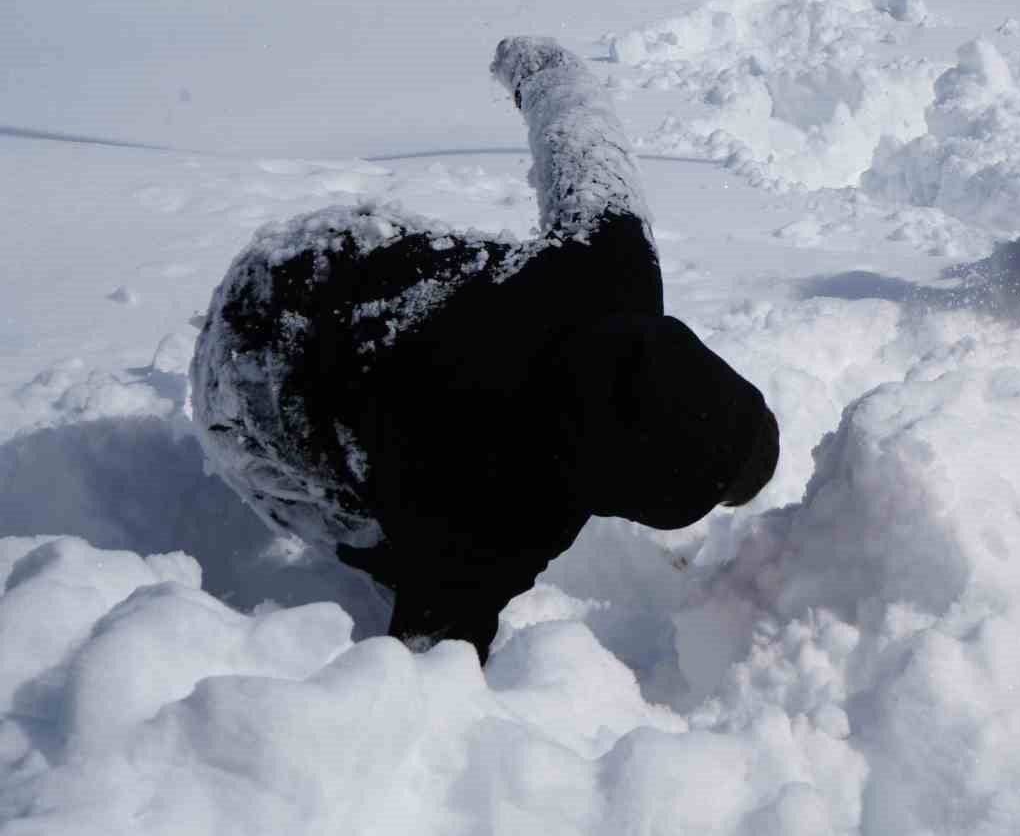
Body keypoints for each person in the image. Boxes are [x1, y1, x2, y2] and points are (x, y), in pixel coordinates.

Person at [190, 37, 780, 662]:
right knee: (379, 537)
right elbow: (430, 661)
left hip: (311, 256)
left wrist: (544, 69)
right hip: (246, 398)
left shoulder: (618, 274)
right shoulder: (499, 527)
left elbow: (587, 149)